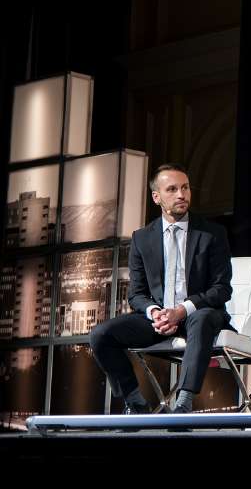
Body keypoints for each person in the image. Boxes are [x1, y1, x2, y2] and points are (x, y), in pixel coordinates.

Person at [90, 163, 233, 414]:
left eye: (185, 188)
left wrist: (181, 310)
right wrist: (155, 312)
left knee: (201, 318)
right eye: (173, 189)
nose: (182, 194)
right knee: (101, 334)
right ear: (157, 197)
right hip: (157, 320)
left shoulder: (212, 233)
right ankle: (135, 402)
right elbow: (136, 294)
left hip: (197, 314)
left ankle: (184, 404)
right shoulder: (141, 238)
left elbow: (221, 289)